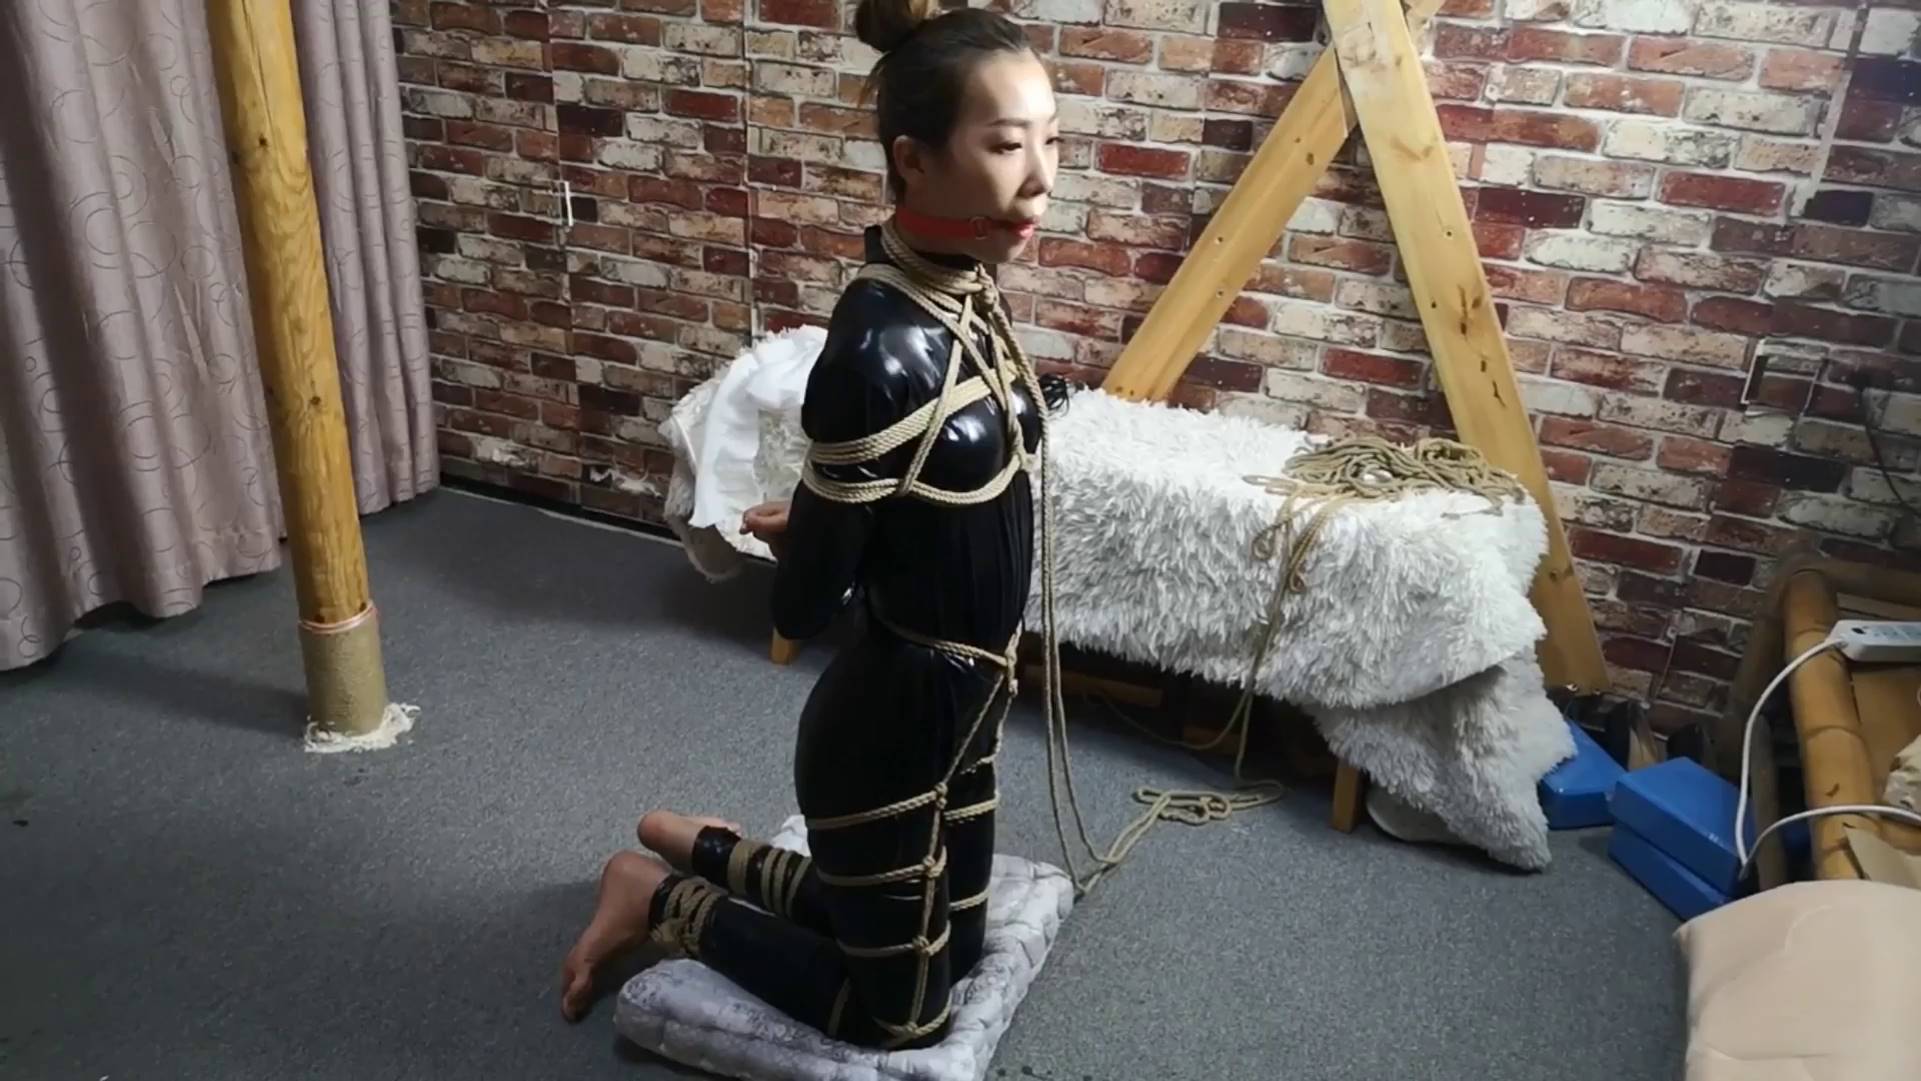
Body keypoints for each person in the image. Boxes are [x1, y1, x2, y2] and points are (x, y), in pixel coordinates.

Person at [557, 0, 1069, 1049]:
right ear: (913, 162)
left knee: (957, 945)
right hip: (886, 727)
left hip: (971, 709)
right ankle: (657, 893)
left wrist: (857, 509)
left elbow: (945, 489)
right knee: (904, 1018)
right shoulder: (879, 346)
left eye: (1051, 141)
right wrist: (819, 532)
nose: (1041, 180)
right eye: (1006, 145)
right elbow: (798, 608)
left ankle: (705, 846)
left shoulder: (967, 287)